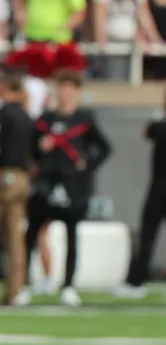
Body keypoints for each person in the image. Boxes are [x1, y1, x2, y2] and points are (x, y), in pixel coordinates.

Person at [15, 71, 112, 307]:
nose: (65, 92)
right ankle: (24, 285)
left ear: (76, 91)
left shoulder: (84, 119)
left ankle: (68, 286)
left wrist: (85, 165)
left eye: (70, 88)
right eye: (62, 87)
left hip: (73, 185)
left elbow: (104, 148)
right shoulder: (44, 119)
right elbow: (29, 150)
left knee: (71, 237)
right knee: (31, 236)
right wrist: (39, 151)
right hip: (46, 183)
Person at [114, 87, 166, 300]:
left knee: (148, 236)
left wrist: (161, 112)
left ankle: (136, 282)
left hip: (158, 189)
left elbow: (146, 132)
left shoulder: (160, 128)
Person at [0, 70, 33, 305]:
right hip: (21, 177)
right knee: (15, 238)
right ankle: (16, 290)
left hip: (3, 176)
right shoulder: (26, 116)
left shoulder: (5, 116)